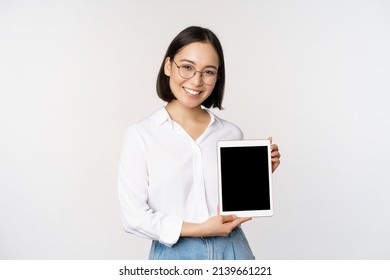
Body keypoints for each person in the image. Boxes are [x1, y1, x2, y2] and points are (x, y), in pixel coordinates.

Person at [117, 26, 281, 260]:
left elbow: (230, 208)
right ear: (168, 66)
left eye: (209, 72)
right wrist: (201, 229)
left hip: (233, 250)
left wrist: (257, 175)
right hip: (176, 254)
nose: (197, 80)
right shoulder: (141, 135)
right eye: (187, 67)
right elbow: (133, 218)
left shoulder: (231, 133)